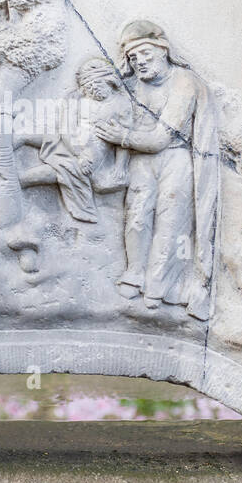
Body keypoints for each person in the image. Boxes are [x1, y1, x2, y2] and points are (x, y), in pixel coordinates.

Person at [94, 20, 220, 320]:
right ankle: (134, 273)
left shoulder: (184, 82)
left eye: (146, 54)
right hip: (141, 159)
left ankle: (159, 287)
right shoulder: (132, 86)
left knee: (171, 221)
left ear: (163, 50)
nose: (140, 62)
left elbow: (160, 138)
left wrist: (121, 137)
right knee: (136, 216)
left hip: (174, 157)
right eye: (133, 58)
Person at [19, 56, 132, 223]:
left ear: (110, 82)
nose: (93, 89)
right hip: (72, 141)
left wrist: (120, 167)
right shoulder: (77, 100)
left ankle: (22, 179)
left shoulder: (121, 104)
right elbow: (67, 129)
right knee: (46, 138)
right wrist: (79, 152)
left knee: (70, 168)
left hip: (94, 150)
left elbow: (123, 138)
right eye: (88, 86)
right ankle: (14, 147)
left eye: (97, 84)